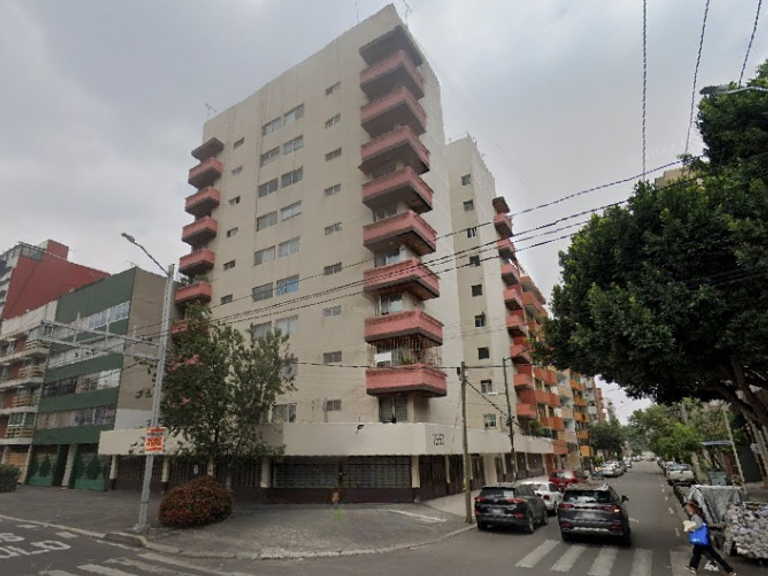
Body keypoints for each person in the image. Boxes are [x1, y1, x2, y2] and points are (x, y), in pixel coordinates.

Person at [682, 500, 736, 575]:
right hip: (701, 538)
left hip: (703, 539)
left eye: (688, 509)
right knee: (697, 552)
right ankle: (693, 567)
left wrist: (691, 528)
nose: (687, 510)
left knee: (714, 555)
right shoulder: (697, 515)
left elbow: (699, 526)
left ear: (693, 508)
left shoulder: (696, 516)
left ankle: (730, 570)